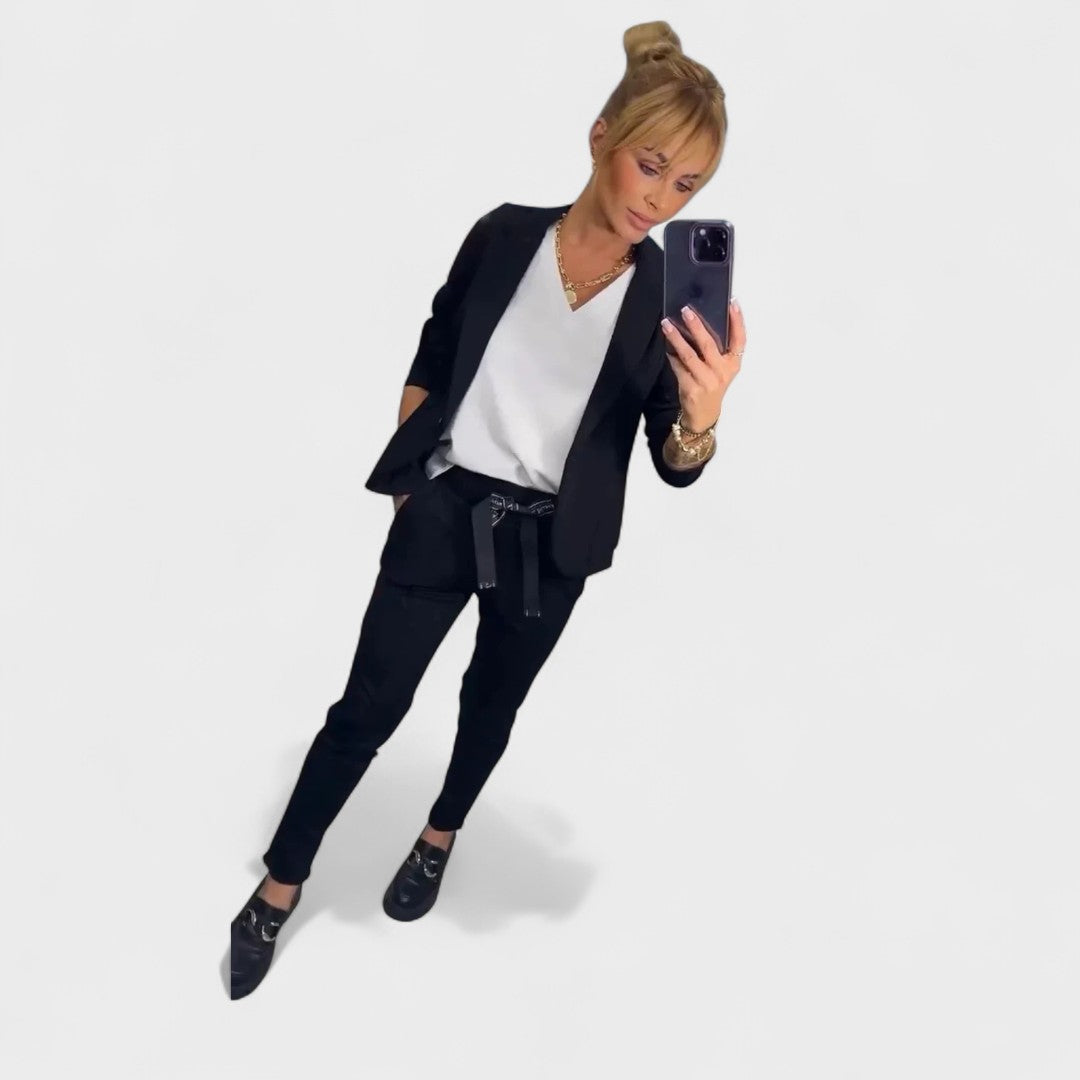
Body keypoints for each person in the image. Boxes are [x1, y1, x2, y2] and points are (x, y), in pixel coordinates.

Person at [230, 18, 746, 999]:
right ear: (600, 136)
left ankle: (439, 836)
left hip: (552, 547)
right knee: (367, 708)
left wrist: (702, 419)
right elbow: (435, 351)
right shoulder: (505, 233)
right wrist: (412, 485)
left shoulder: (666, 297)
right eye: (650, 166)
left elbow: (672, 462)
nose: (660, 200)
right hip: (445, 507)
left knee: (490, 705)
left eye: (687, 187)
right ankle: (279, 885)